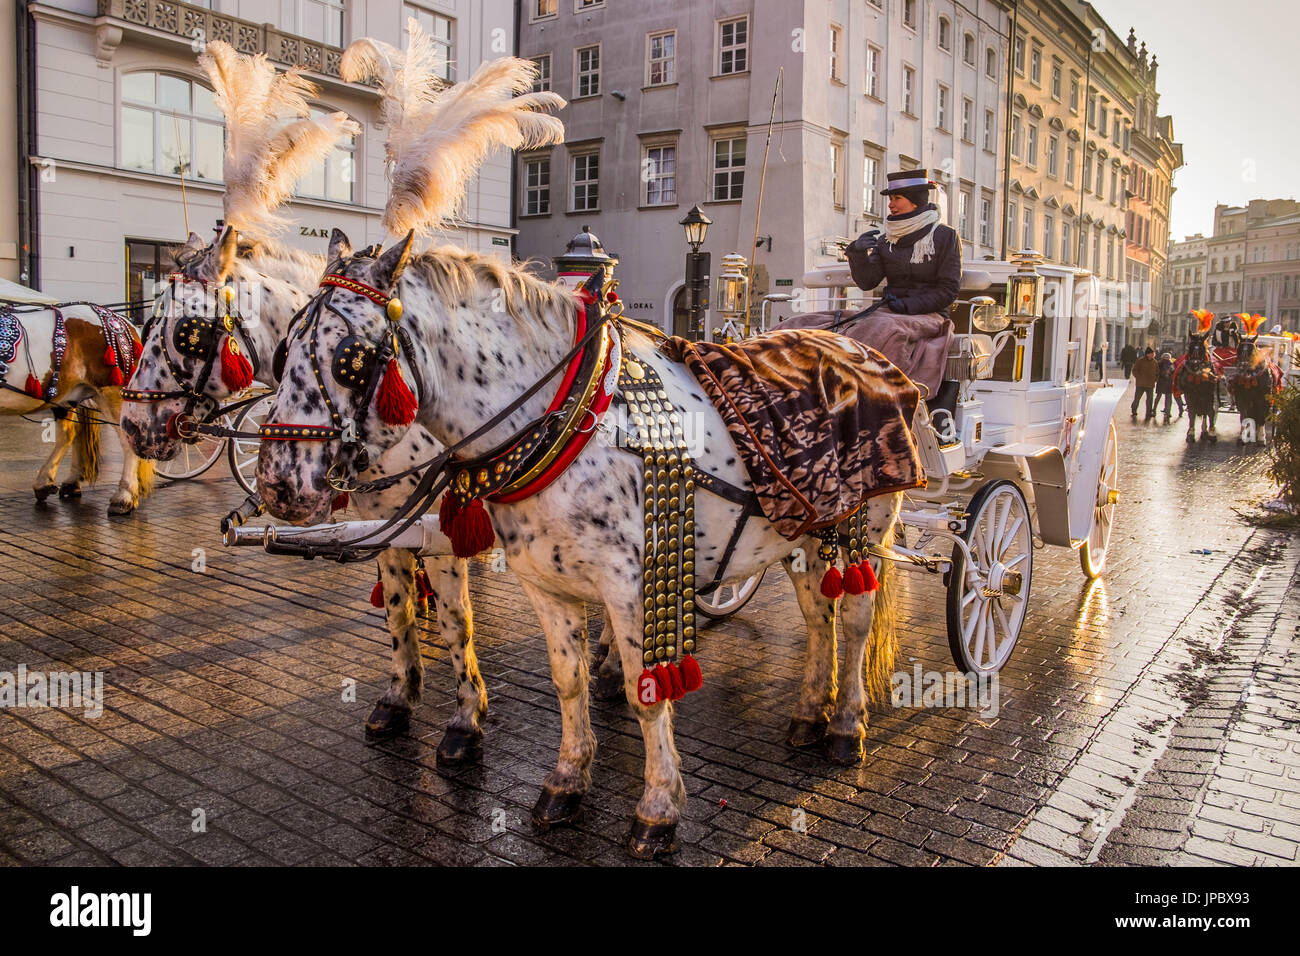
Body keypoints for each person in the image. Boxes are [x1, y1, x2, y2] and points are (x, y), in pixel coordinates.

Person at [777, 169, 960, 400]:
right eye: (890, 199)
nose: (891, 205)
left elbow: (948, 290)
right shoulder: (887, 239)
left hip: (929, 315)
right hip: (889, 310)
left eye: (896, 199)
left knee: (880, 328)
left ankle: (848, 389)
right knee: (807, 321)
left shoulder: (944, 236)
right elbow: (868, 281)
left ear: (915, 201)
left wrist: (907, 305)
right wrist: (858, 254)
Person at [1131, 346, 1159, 421]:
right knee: (1137, 398)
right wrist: (1138, 377)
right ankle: (1134, 410)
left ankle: (1148, 412)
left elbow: (1157, 373)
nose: (1153, 355)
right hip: (1141, 384)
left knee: (1150, 399)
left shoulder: (1155, 362)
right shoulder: (1140, 361)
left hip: (1150, 384)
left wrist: (1155, 379)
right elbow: (1134, 370)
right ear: (1147, 354)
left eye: (1153, 354)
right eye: (1152, 354)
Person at [1156, 351, 1177, 422]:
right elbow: (1174, 372)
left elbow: (1157, 372)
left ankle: (1153, 410)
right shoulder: (1171, 364)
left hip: (1161, 382)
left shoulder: (1159, 363)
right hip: (1169, 383)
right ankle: (1168, 411)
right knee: (1168, 398)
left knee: (1158, 397)